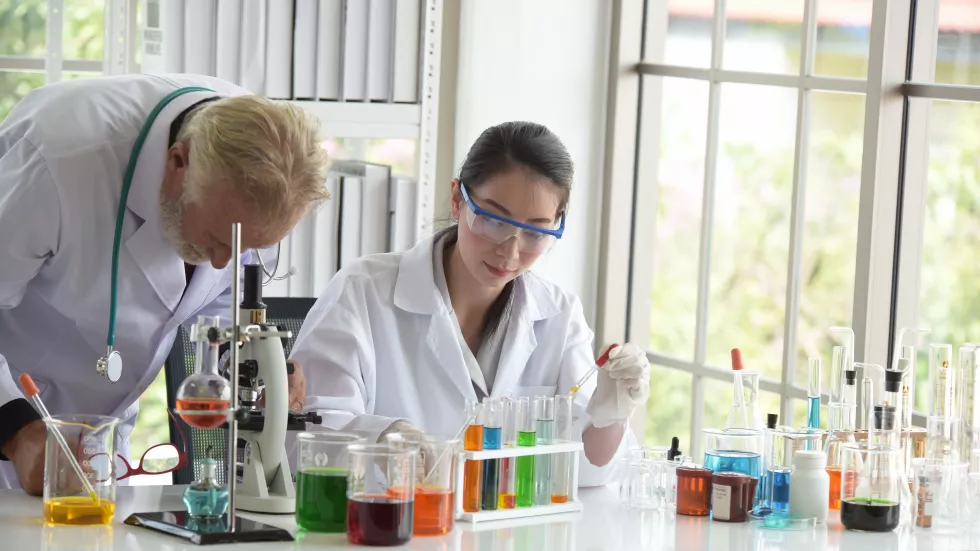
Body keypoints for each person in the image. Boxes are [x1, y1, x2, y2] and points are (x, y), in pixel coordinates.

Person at [0, 73, 329, 493]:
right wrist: (16, 430)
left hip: (100, 436)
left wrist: (249, 364)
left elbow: (219, 300)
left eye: (249, 247)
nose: (221, 262)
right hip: (15, 407)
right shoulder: (57, 160)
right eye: (214, 240)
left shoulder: (268, 161)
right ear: (177, 162)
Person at [289, 121, 650, 484]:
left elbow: (587, 474)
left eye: (535, 232)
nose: (510, 250)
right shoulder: (364, 292)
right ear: (458, 199)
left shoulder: (559, 315)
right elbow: (302, 438)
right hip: (389, 528)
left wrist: (609, 415)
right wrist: (383, 439)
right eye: (494, 220)